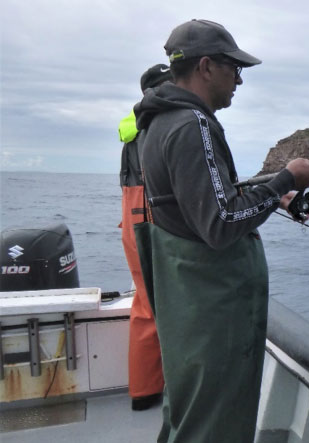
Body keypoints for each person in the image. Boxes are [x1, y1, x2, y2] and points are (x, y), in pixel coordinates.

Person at [133, 19, 309, 442]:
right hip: (211, 313)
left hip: (190, 309)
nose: (238, 79)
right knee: (213, 426)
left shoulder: (158, 122)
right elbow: (220, 223)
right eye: (233, 68)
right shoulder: (192, 125)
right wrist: (285, 180)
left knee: (191, 416)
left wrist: (273, 196)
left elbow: (200, 200)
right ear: (205, 67)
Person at [118, 63, 172, 411]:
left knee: (144, 303)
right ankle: (163, 392)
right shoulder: (161, 120)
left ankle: (144, 390)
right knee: (164, 306)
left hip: (131, 216)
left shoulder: (131, 124)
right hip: (150, 216)